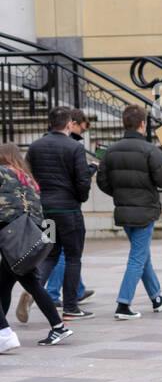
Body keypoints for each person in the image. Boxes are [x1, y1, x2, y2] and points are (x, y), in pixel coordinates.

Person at [95, 105, 162, 319]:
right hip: (145, 210)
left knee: (141, 254)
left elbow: (102, 181)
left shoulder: (110, 151)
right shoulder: (150, 150)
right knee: (137, 257)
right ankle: (123, 304)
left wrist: (120, 194)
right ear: (142, 124)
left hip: (123, 210)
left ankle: (157, 296)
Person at [0, 143, 72, 349]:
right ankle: (4, 330)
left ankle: (58, 326)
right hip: (30, 235)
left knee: (30, 284)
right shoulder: (28, 178)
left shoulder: (3, 172)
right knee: (7, 284)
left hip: (10, 237)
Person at [26, 107, 93, 321]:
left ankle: (33, 290)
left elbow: (29, 177)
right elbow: (82, 181)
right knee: (73, 256)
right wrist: (80, 197)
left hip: (46, 209)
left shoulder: (35, 147)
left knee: (50, 254)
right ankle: (71, 306)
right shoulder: (74, 147)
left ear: (49, 124)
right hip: (69, 210)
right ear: (68, 125)